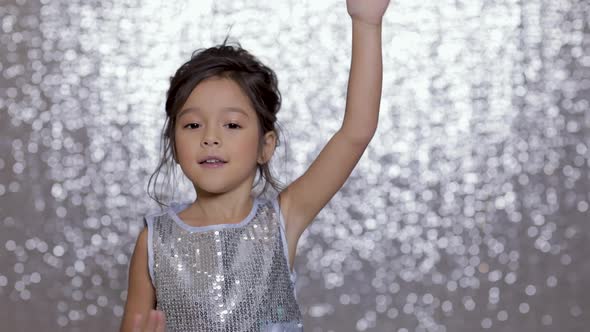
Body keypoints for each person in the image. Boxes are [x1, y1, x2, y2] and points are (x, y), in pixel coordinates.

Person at [120, 0, 390, 331]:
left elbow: (356, 133)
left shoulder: (281, 220)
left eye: (231, 125)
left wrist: (366, 22)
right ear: (174, 144)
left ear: (266, 145)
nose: (210, 138)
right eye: (192, 125)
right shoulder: (154, 241)